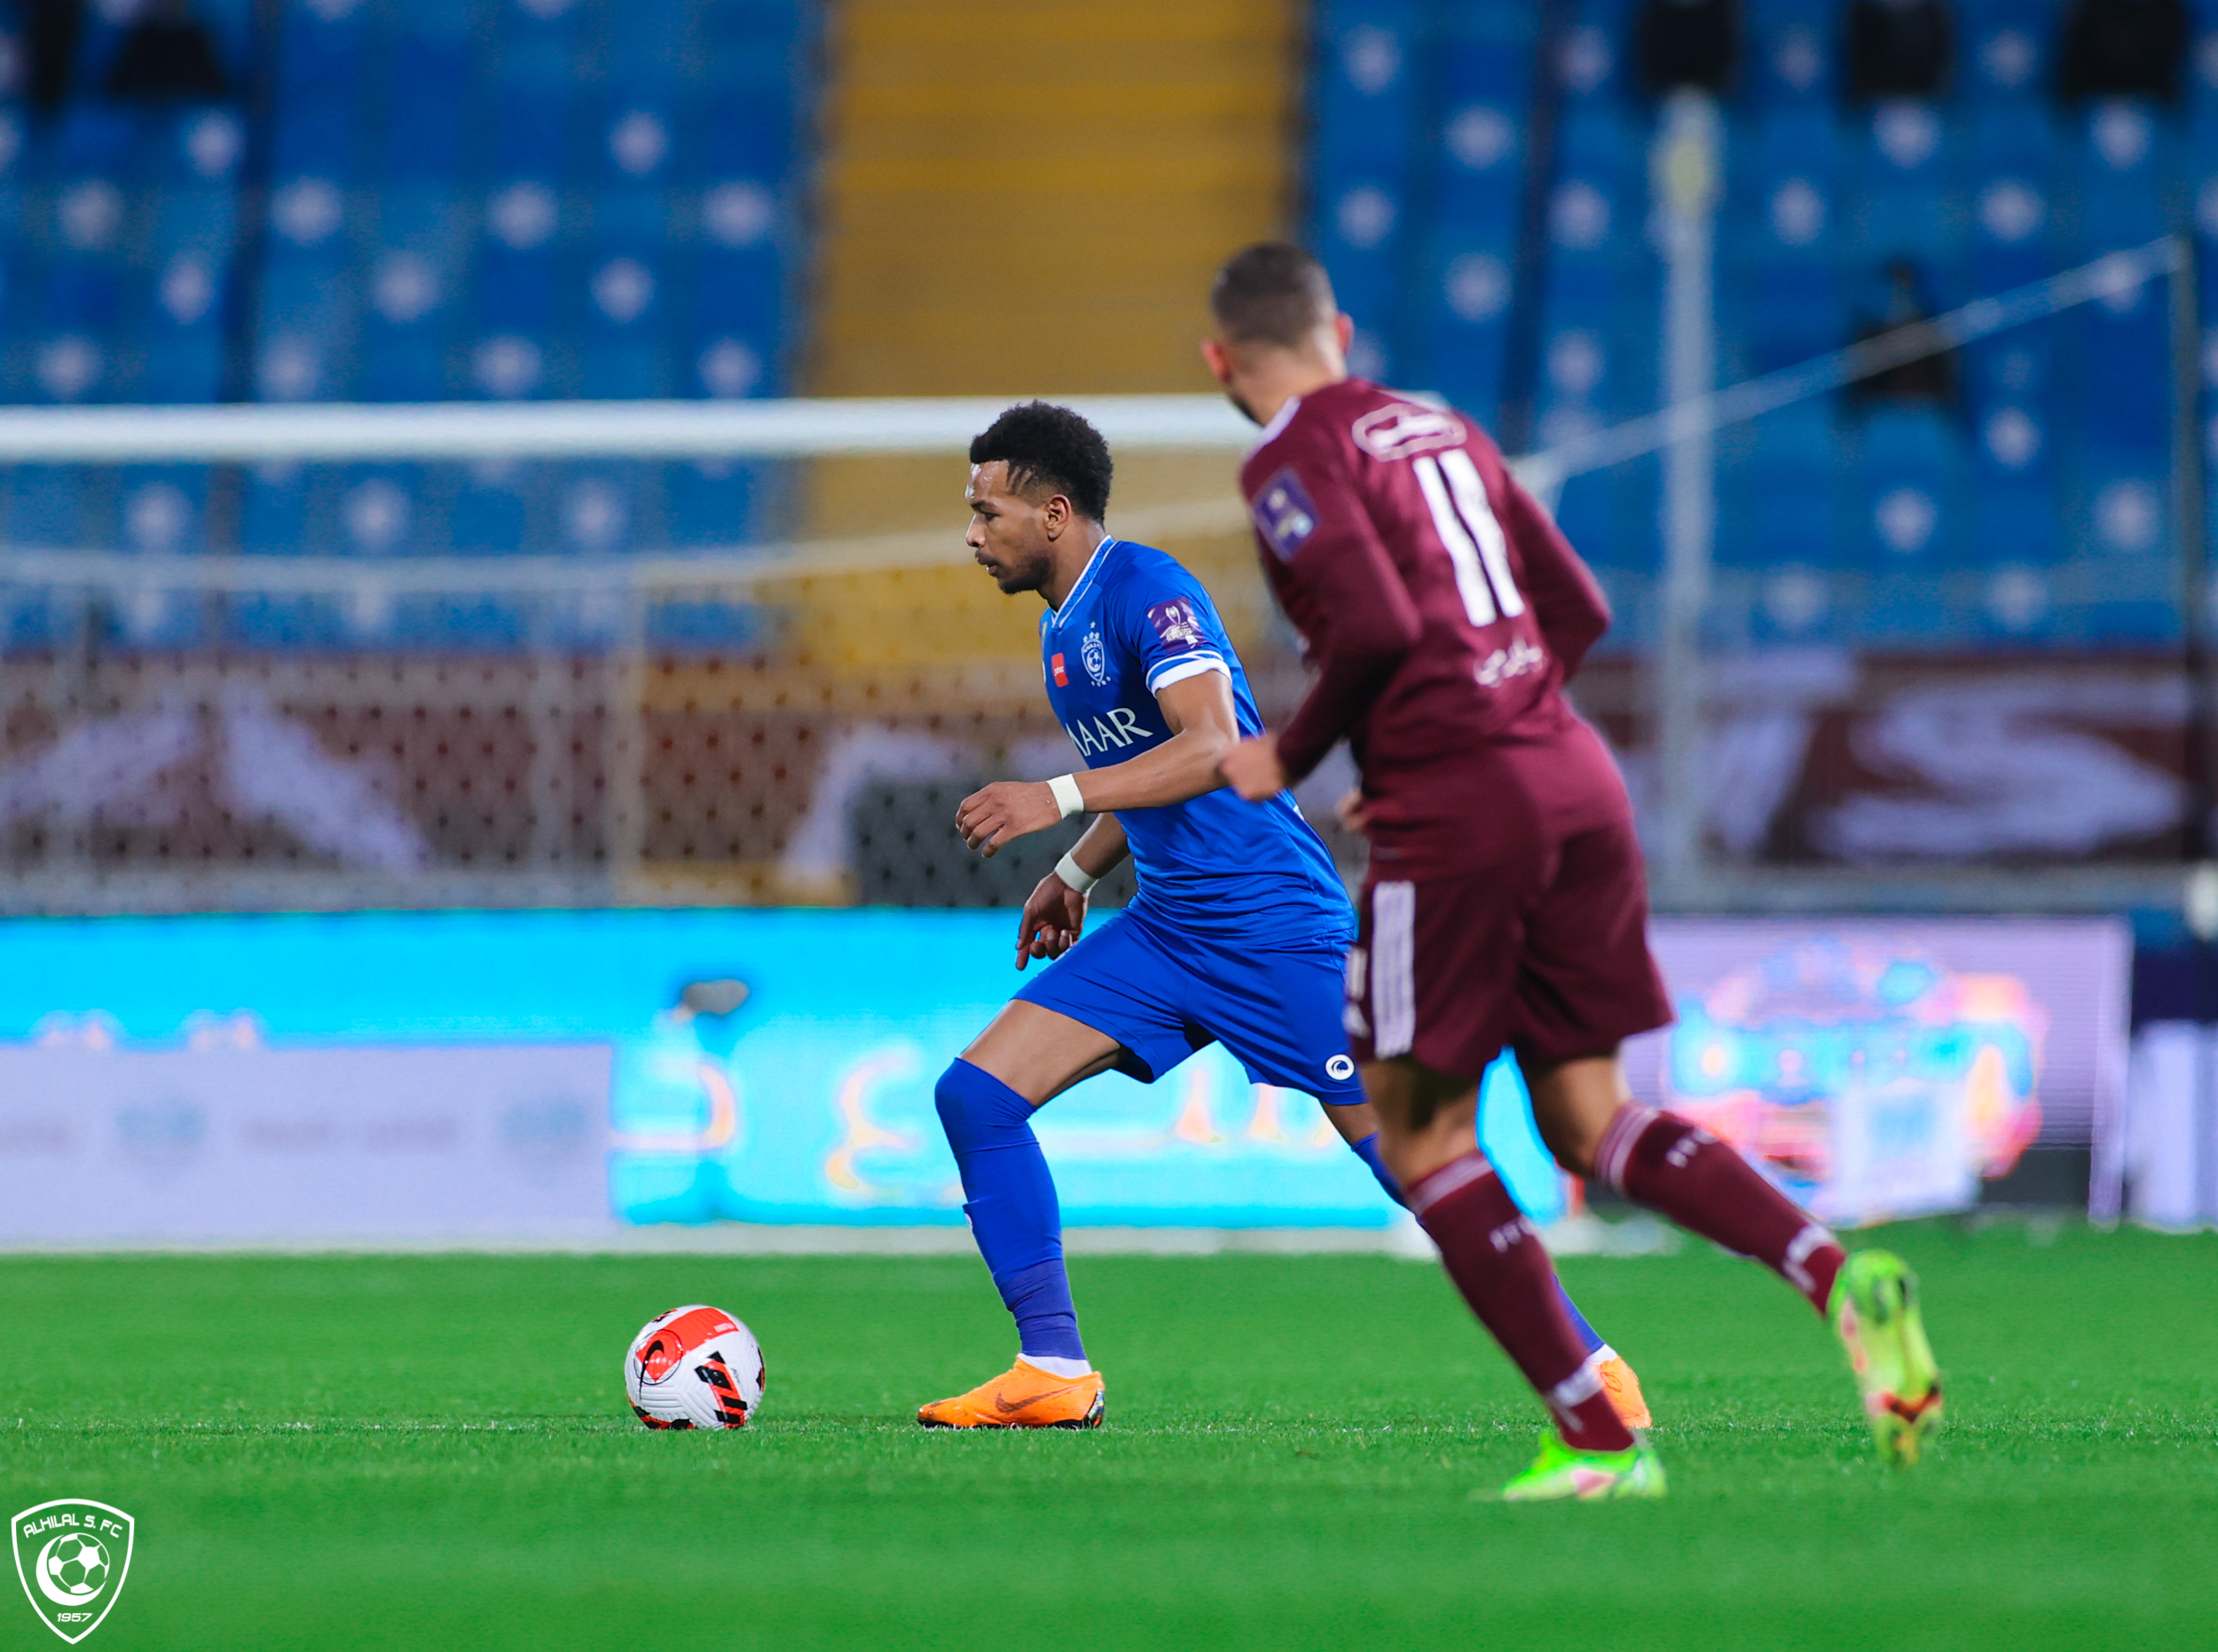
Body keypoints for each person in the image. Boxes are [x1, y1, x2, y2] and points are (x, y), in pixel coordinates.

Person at [1206, 243, 1942, 1500]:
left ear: (1223, 361)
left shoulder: (1287, 459)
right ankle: (1833, 1271)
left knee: (1420, 1127)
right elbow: (1579, 606)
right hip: (1573, 774)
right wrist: (1482, 724)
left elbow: (1379, 628)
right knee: (1585, 1118)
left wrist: (1299, 750)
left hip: (1463, 808)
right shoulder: (1445, 428)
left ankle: (1599, 1440)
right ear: (1341, 324)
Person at [916, 400, 1649, 1431]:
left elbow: (1212, 744)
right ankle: (1052, 1367)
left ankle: (1594, 1365)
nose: (971, 533)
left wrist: (1058, 798)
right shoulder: (1059, 622)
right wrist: (1077, 875)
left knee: (1410, 1160)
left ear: (1053, 510)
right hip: (1170, 929)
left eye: (986, 511)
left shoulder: (1148, 591)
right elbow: (1151, 770)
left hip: (1274, 928)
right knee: (976, 1096)